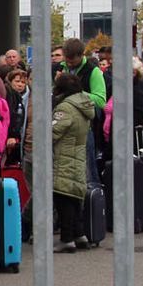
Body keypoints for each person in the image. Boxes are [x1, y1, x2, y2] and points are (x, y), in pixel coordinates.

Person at [47, 72, 98, 252]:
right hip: (78, 155)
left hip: (64, 157)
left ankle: (66, 239)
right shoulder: (84, 103)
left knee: (63, 197)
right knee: (75, 197)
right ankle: (79, 234)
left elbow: (52, 132)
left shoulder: (66, 108)